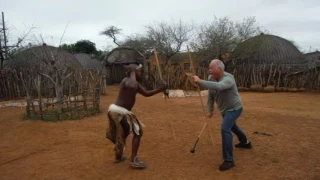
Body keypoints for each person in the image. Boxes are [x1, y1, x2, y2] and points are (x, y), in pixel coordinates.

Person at [193, 59, 252, 171]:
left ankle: (229, 160)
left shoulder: (229, 78)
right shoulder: (211, 78)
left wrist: (200, 81)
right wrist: (210, 110)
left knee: (225, 128)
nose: (209, 70)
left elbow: (219, 86)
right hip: (225, 110)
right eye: (209, 68)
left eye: (211, 68)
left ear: (219, 69)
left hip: (235, 108)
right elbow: (211, 95)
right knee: (233, 127)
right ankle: (245, 142)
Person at [106, 63, 167, 169]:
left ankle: (118, 156)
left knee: (122, 134)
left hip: (119, 112)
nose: (140, 73)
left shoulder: (135, 84)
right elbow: (132, 85)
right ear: (132, 72)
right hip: (120, 112)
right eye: (138, 71)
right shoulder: (126, 81)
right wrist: (133, 71)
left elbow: (146, 93)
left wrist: (160, 89)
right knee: (138, 132)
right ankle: (133, 160)